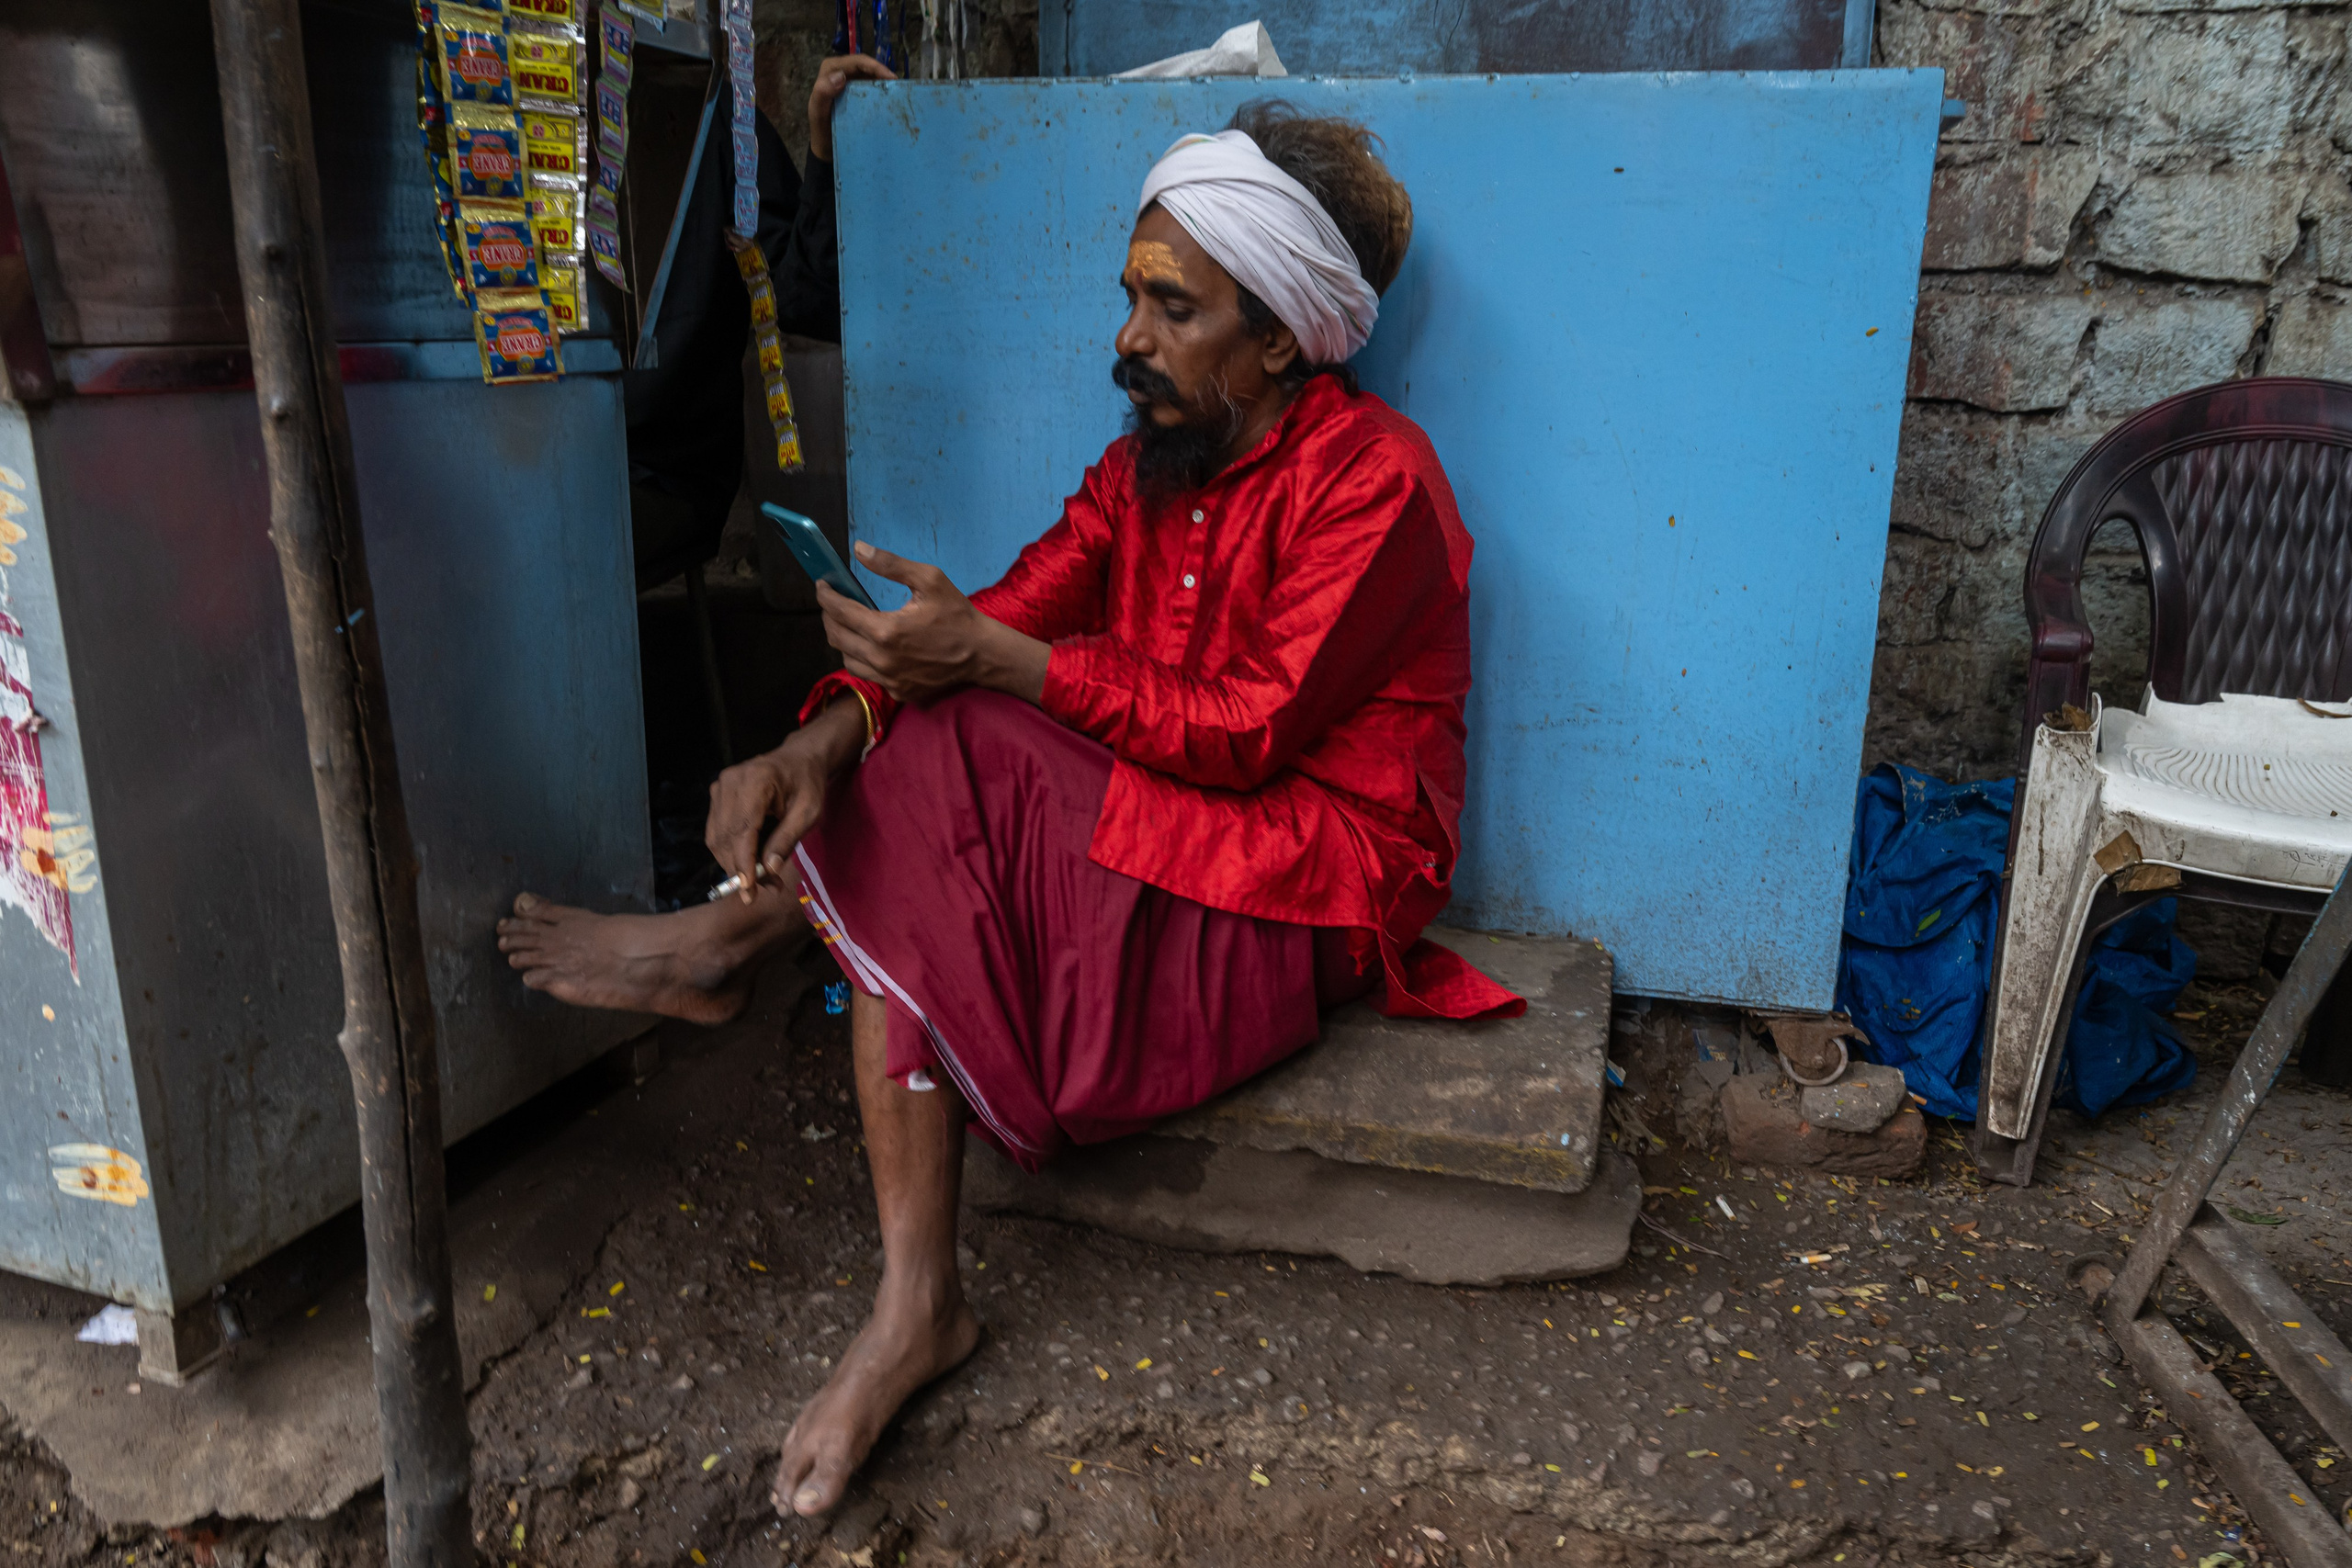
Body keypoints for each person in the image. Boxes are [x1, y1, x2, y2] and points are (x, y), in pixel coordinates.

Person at [500, 98, 1518, 1516]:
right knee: (942, 730)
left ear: (1280, 338)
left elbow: (1242, 734)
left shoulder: (1377, 485)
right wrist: (830, 737)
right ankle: (913, 1298)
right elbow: (1008, 612)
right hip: (1172, 820)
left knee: (978, 733)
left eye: (1174, 310)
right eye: (1130, 299)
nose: (1130, 341)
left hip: (1312, 871)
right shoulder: (1145, 466)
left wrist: (983, 664)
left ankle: (746, 946)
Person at [625, 51, 891, 592]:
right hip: (534, 460)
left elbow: (802, 300)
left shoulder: (711, 112)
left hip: (660, 473)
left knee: (530, 543)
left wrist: (825, 142)